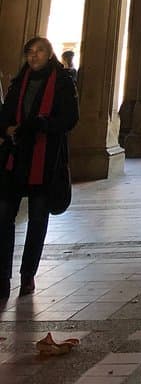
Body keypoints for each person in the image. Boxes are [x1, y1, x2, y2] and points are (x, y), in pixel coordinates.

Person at [0, 37, 79, 300]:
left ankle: (27, 276)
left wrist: (44, 124)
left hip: (45, 160)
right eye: (29, 52)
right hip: (16, 156)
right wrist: (6, 128)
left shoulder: (63, 82)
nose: (33, 56)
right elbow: (6, 113)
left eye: (39, 51)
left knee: (37, 219)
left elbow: (70, 118)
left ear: (50, 54)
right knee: (3, 216)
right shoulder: (19, 82)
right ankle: (2, 276)